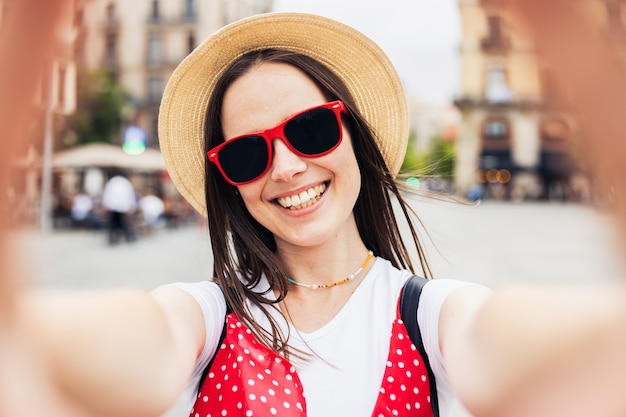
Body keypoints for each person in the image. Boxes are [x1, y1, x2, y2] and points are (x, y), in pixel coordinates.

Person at [6, 10, 626, 417]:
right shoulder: (204, 320)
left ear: (352, 133)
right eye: (248, 153)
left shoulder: (433, 318)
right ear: (228, 181)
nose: (285, 168)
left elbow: (545, 347)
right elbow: (97, 350)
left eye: (308, 129)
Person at [101, 169, 137, 244]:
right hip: (124, 207)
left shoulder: (112, 182)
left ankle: (114, 238)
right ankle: (127, 237)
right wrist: (130, 206)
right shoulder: (126, 183)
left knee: (114, 223)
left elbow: (108, 195)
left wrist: (107, 206)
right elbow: (130, 196)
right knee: (124, 223)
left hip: (113, 207)